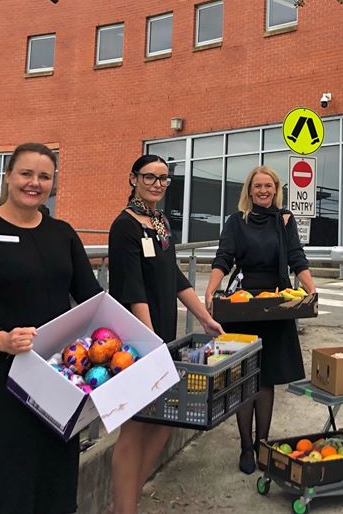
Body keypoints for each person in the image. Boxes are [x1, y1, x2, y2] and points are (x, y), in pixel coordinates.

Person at [0, 143, 103, 513]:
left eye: (44, 176)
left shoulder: (62, 234)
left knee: (56, 486)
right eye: (26, 174)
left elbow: (92, 297)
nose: (34, 183)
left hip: (58, 381)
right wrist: (1, 339)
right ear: (8, 176)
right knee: (5, 489)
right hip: (0, 382)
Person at [108, 154, 224, 514]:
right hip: (136, 341)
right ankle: (125, 508)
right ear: (133, 179)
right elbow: (131, 289)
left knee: (163, 422)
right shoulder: (124, 226)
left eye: (163, 178)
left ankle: (129, 500)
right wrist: (150, 341)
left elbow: (173, 276)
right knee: (136, 426)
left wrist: (205, 319)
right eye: (150, 177)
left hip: (163, 339)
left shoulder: (159, 222)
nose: (157, 184)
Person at [204, 165, 316, 474]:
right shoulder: (236, 222)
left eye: (269, 185)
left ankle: (262, 444)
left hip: (277, 303)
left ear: (276, 189)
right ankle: (245, 447)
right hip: (244, 304)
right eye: (258, 186)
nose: (263, 190)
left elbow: (296, 256)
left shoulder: (285, 221)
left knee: (266, 380)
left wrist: (311, 288)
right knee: (245, 379)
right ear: (250, 191)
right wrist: (211, 289)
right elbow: (223, 257)